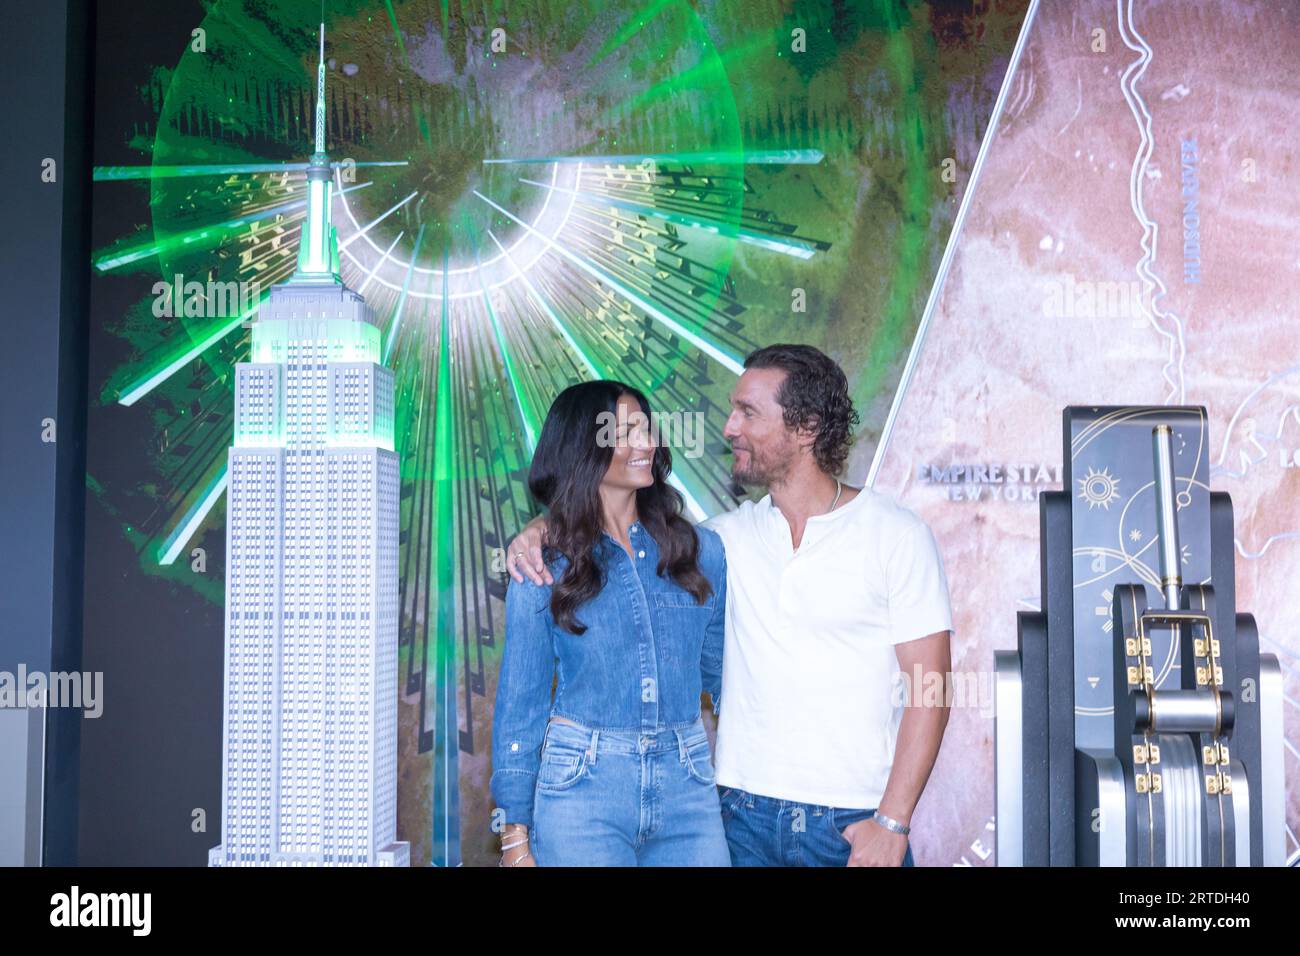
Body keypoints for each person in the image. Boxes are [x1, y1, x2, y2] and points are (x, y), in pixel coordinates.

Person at [507, 344, 954, 867]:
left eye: (747, 412)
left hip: (852, 824)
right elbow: (611, 534)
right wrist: (543, 530)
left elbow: (932, 689)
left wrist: (892, 822)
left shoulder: (896, 535)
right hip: (737, 818)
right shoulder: (719, 543)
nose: (728, 428)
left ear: (806, 427)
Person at [489, 380, 730, 866]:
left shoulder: (701, 552)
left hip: (689, 789)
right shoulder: (542, 565)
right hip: (581, 790)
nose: (645, 443)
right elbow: (522, 703)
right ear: (582, 446)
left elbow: (727, 680)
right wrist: (515, 839)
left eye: (645, 427)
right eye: (624, 432)